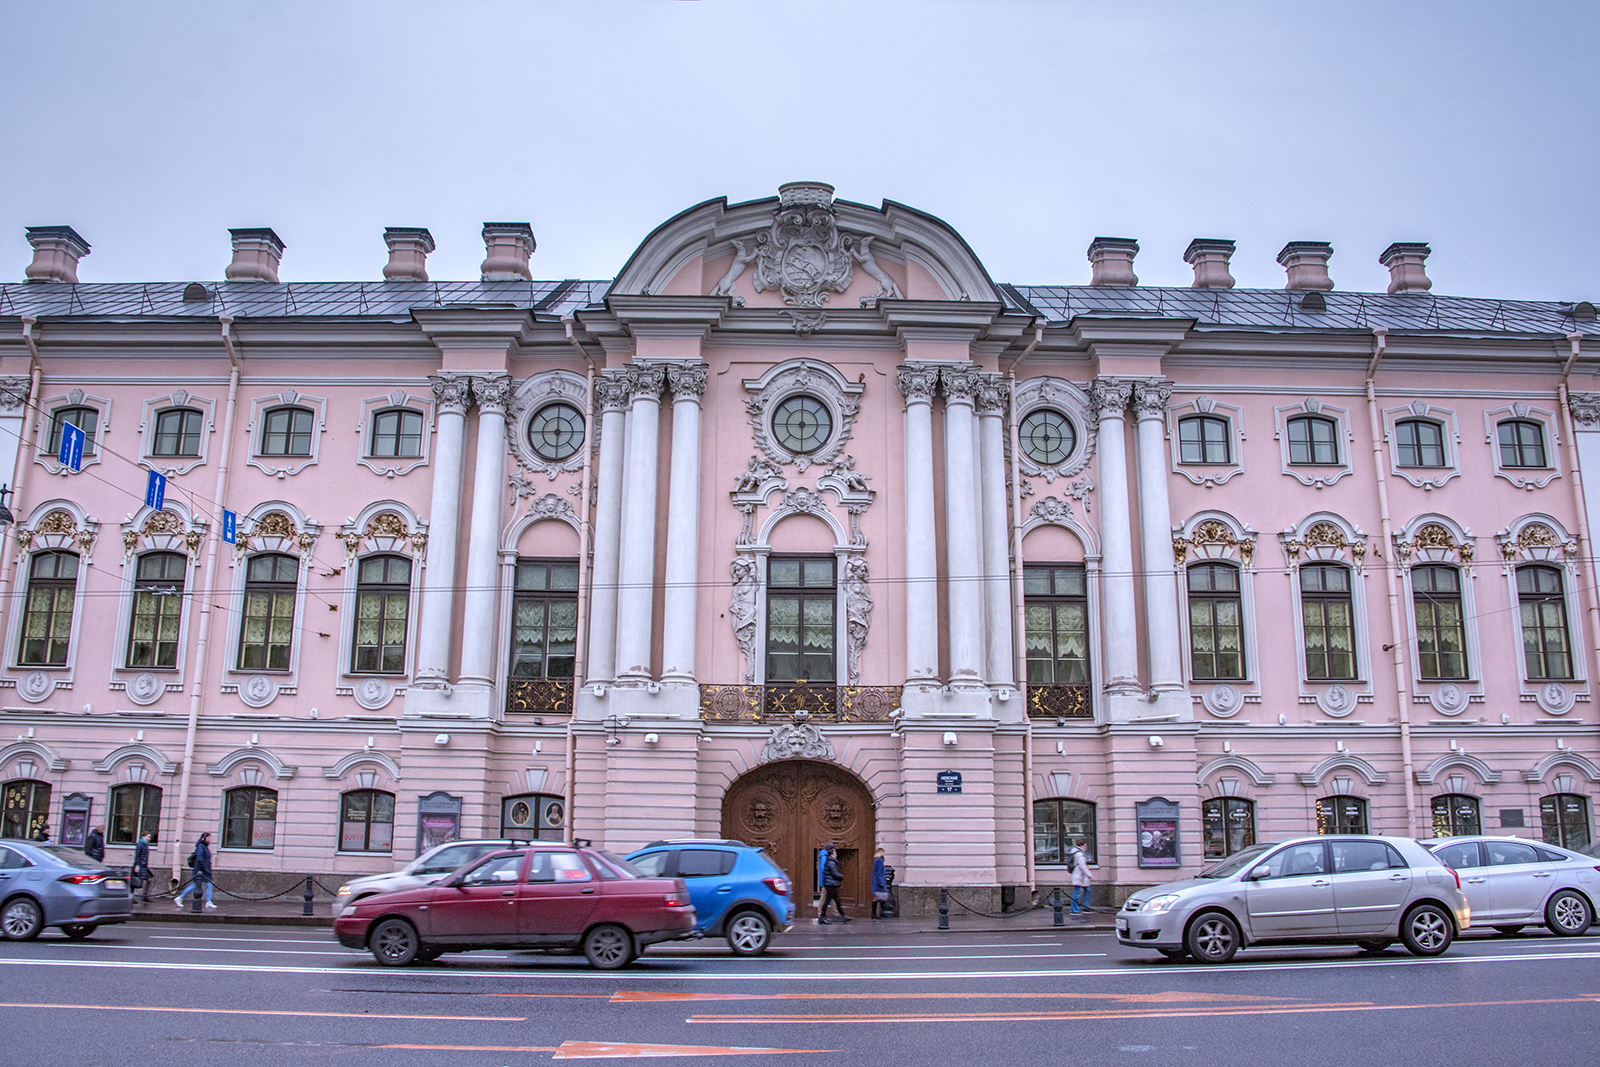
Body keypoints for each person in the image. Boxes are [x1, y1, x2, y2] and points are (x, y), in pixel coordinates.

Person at [175, 831, 216, 910]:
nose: (210, 839)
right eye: (208, 837)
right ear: (205, 837)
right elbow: (200, 858)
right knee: (195, 885)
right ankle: (180, 897)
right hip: (201, 870)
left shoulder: (204, 846)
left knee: (208, 885)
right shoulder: (201, 846)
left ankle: (208, 901)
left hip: (204, 870)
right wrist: (203, 869)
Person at [819, 845, 849, 923]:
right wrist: (840, 877)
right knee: (826, 900)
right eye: (834, 851)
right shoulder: (828, 860)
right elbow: (826, 871)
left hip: (829, 882)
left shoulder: (827, 858)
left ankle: (840, 915)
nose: (836, 853)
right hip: (829, 883)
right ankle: (822, 916)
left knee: (835, 900)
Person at [1068, 838, 1092, 919]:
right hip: (1079, 876)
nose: (1086, 847)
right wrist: (1090, 875)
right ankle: (1074, 909)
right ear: (1082, 845)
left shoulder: (1078, 853)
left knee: (1087, 889)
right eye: (1085, 845)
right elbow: (1083, 866)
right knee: (1077, 892)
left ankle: (1085, 907)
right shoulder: (1079, 854)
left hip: (1080, 876)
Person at [132, 831, 153, 903]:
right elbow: (137, 855)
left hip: (144, 866)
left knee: (149, 880)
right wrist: (137, 865)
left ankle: (146, 896)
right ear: (143, 837)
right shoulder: (140, 844)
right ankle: (132, 897)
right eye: (148, 836)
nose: (149, 838)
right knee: (135, 882)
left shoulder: (145, 845)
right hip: (140, 866)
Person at [870, 847, 890, 919]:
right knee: (881, 898)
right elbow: (879, 873)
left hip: (876, 882)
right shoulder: (879, 860)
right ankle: (877, 913)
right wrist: (881, 882)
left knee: (876, 898)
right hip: (879, 883)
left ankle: (874, 913)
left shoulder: (876, 860)